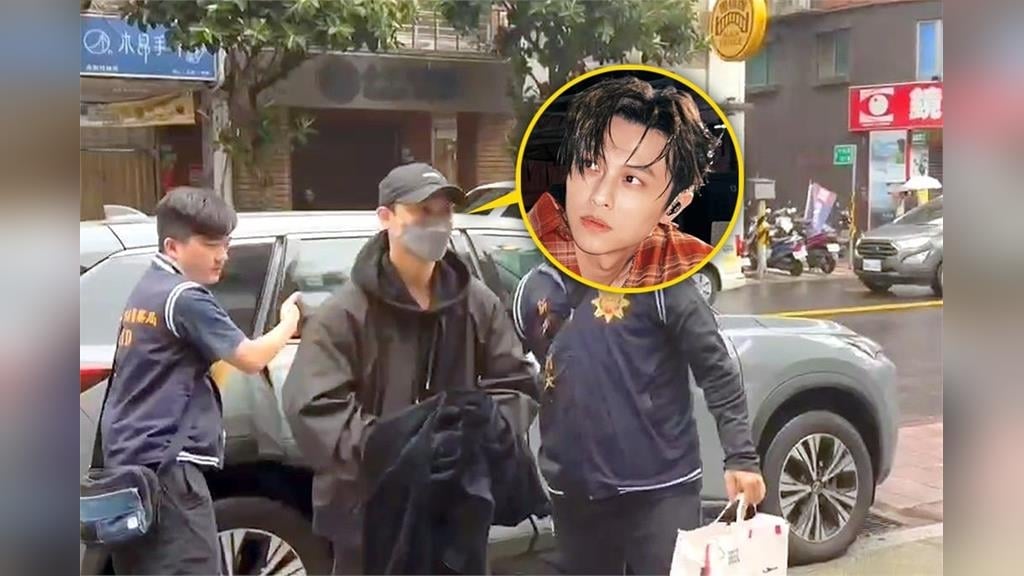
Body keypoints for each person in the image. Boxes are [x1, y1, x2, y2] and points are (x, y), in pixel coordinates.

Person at [282, 162, 539, 575]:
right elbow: (312, 406)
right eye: (422, 212)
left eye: (444, 212)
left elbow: (517, 382)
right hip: (369, 512)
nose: (436, 224)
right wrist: (397, 449)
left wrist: (480, 432)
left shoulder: (477, 303)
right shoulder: (344, 314)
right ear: (386, 217)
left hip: (456, 508)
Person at [513, 263, 767, 575]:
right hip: (574, 495)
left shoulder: (661, 278)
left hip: (661, 491)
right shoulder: (536, 287)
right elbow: (511, 369)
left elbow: (716, 369)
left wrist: (741, 456)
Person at [99, 187, 302, 575]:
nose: (222, 255)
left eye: (225, 244)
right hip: (169, 473)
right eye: (210, 244)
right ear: (173, 247)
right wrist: (288, 323)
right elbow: (249, 357)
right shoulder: (185, 298)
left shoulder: (147, 289)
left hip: (132, 470)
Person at [527, 75, 722, 288]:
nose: (600, 197)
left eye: (631, 179)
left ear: (673, 207)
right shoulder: (523, 244)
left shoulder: (691, 264)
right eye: (591, 164)